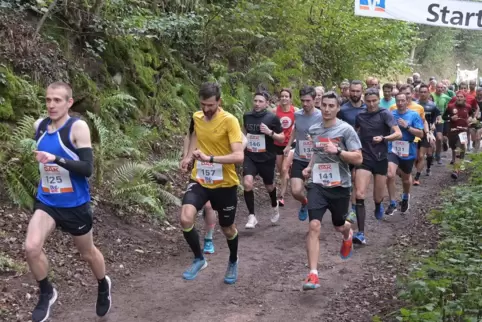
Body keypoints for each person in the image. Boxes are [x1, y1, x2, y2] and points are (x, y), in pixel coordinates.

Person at [27, 82, 111, 322]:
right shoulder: (39, 126)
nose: (51, 105)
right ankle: (46, 293)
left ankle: (102, 284)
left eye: (57, 100)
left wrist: (56, 158)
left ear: (69, 102)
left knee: (87, 254)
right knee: (32, 247)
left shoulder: (78, 128)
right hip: (48, 201)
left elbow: (86, 169)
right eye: (48, 100)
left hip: (75, 205)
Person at [179, 82, 243, 284]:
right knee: (186, 218)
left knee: (228, 228)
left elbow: (239, 156)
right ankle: (199, 259)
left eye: (210, 105)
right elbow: (196, 135)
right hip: (201, 179)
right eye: (202, 104)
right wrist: (189, 157)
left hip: (225, 183)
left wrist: (211, 159)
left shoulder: (229, 121)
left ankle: (233, 260)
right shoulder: (197, 117)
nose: (206, 109)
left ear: (219, 102)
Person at [301, 91, 362, 290]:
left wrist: (338, 151)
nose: (326, 109)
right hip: (318, 184)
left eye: (331, 106)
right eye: (324, 105)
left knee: (338, 225)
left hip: (340, 186)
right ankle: (313, 274)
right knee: (314, 226)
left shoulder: (346, 130)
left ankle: (347, 235)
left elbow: (358, 158)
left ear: (337, 108)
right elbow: (317, 153)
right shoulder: (314, 129)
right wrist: (310, 167)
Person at [353, 88, 402, 244]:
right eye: (368, 101)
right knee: (360, 194)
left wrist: (383, 138)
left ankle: (378, 204)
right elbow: (354, 132)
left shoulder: (385, 113)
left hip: (380, 158)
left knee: (378, 196)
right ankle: (360, 233)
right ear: (364, 101)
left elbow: (398, 133)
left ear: (378, 100)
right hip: (364, 158)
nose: (372, 104)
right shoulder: (360, 115)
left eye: (374, 100)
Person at [243, 91, 285, 229]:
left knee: (269, 186)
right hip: (250, 156)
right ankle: (252, 216)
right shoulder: (247, 116)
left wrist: (270, 132)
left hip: (267, 157)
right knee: (247, 183)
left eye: (261, 101)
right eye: (255, 101)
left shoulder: (272, 118)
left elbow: (282, 138)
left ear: (267, 103)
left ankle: (274, 205)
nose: (257, 104)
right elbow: (244, 133)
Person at [284, 86, 323, 221]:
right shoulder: (297, 114)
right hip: (300, 157)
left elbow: (326, 134)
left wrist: (315, 140)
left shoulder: (321, 116)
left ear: (314, 99)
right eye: (303, 101)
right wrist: (289, 145)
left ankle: (315, 221)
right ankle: (304, 202)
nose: (305, 104)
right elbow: (295, 129)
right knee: (295, 191)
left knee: (315, 192)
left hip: (316, 158)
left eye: (308, 101)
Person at [385, 92, 424, 216]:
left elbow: (421, 134)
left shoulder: (414, 115)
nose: (400, 103)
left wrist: (407, 127)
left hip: (408, 149)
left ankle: (406, 196)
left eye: (403, 100)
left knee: (406, 179)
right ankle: (392, 203)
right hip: (393, 148)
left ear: (407, 101)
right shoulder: (391, 114)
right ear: (395, 102)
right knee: (390, 174)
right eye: (398, 101)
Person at [338, 80, 367, 223]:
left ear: (362, 91)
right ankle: (347, 206)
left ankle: (354, 210)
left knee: (356, 179)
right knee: (347, 180)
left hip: (363, 150)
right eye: (352, 91)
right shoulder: (343, 110)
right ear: (349, 91)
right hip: (346, 150)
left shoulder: (368, 108)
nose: (355, 94)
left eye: (358, 91)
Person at [273, 88, 297, 207]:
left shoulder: (295, 111)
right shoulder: (274, 111)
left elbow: (299, 126)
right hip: (277, 144)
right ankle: (288, 174)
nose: (284, 98)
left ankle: (281, 197)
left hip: (290, 144)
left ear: (290, 98)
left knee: (283, 169)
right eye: (282, 96)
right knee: (282, 172)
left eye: (286, 96)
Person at [414, 84, 439, 185]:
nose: (423, 94)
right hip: (416, 132)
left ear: (428, 93)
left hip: (428, 132)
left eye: (425, 92)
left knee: (422, 155)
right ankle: (422, 166)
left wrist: (434, 124)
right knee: (416, 157)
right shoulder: (414, 105)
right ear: (418, 93)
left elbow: (438, 117)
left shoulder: (432, 105)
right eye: (421, 92)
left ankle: (417, 176)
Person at [443, 91, 472, 179]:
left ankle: (456, 170)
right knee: (454, 148)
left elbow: (472, 114)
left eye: (461, 97)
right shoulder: (451, 106)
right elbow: (444, 117)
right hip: (452, 131)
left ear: (464, 98)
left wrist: (470, 119)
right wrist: (450, 118)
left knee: (459, 149)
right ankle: (458, 162)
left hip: (463, 131)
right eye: (458, 96)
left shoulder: (468, 107)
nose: (459, 98)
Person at [431, 82, 451, 163]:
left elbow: (448, 107)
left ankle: (438, 155)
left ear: (443, 88)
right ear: (435, 87)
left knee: (439, 138)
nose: (439, 89)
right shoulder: (431, 95)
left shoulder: (446, 97)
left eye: (441, 87)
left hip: (441, 120)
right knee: (432, 139)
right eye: (438, 87)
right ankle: (431, 155)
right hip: (431, 120)